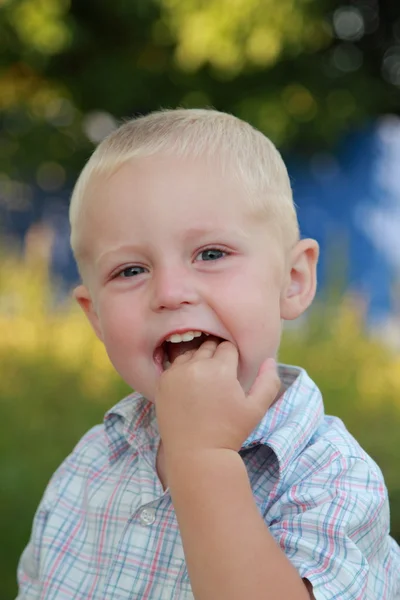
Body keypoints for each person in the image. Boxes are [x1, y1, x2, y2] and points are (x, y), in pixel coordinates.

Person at [17, 109, 400, 600]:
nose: (171, 292)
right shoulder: (91, 464)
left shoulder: (331, 476)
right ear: (96, 318)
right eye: (130, 270)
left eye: (211, 254)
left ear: (293, 280)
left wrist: (202, 460)